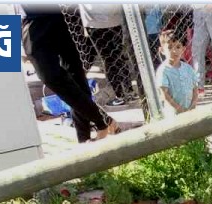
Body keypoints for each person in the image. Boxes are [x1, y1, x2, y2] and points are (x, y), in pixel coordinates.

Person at [21, 6, 118, 143]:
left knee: (75, 76)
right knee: (52, 77)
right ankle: (101, 121)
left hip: (57, 16)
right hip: (33, 21)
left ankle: (86, 137)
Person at [79, 3, 137, 106]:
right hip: (114, 19)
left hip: (95, 23)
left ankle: (119, 96)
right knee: (118, 55)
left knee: (108, 59)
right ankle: (130, 92)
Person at [156, 29, 199, 117]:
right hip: (173, 114)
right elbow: (164, 94)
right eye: (170, 47)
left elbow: (195, 88)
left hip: (190, 110)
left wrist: (193, 105)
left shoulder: (188, 68)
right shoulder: (163, 70)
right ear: (162, 50)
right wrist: (178, 109)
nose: (174, 51)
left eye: (178, 47)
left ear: (183, 49)